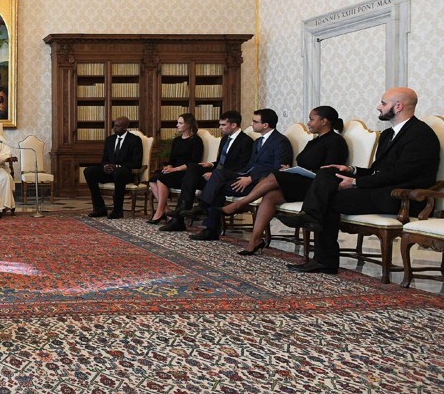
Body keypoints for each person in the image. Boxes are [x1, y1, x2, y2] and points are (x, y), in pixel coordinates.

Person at [279, 88, 440, 274]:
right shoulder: (388, 134)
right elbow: (377, 171)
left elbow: (401, 174)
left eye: (383, 103)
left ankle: (323, 257)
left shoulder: (420, 135)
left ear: (398, 106)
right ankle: (310, 215)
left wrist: (356, 182)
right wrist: (352, 170)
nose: (378, 107)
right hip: (379, 189)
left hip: (401, 196)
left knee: (329, 201)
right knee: (328, 172)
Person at [221, 106, 348, 255]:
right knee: (270, 196)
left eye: (311, 119)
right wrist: (291, 168)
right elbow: (304, 162)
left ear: (324, 121)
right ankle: (254, 240)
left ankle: (241, 203)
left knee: (275, 175)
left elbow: (330, 169)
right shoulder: (313, 142)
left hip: (318, 186)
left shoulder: (336, 141)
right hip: (303, 181)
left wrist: (306, 171)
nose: (308, 123)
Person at [181, 109, 293, 241]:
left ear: (265, 125)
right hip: (248, 176)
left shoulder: (280, 142)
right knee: (218, 178)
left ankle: (206, 216)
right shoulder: (258, 142)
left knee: (218, 186)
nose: (251, 124)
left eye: (255, 121)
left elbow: (278, 169)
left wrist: (250, 178)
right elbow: (250, 165)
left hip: (261, 184)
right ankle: (208, 223)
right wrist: (241, 175)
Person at [159, 110, 253, 233]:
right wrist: (211, 164)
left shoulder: (246, 141)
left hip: (228, 176)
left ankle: (180, 216)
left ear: (233, 125)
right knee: (193, 167)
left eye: (223, 125)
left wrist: (215, 174)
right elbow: (221, 161)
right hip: (218, 172)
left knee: (193, 174)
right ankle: (183, 212)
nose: (220, 127)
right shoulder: (225, 139)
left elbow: (241, 167)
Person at [147, 113, 204, 224]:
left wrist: (175, 169)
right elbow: (171, 160)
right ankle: (167, 211)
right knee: (152, 180)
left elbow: (194, 162)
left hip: (187, 174)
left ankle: (159, 212)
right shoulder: (177, 140)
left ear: (188, 125)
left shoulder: (196, 141)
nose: (177, 125)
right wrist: (168, 167)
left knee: (161, 179)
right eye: (177, 122)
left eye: (180, 123)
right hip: (174, 171)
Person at [84, 117, 143, 219]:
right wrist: (106, 166)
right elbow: (104, 159)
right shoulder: (110, 140)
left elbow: (136, 163)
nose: (114, 128)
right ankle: (100, 208)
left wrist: (117, 166)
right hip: (110, 173)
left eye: (117, 126)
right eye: (114, 125)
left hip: (126, 174)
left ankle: (117, 210)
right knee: (89, 171)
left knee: (118, 172)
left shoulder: (134, 140)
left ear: (125, 127)